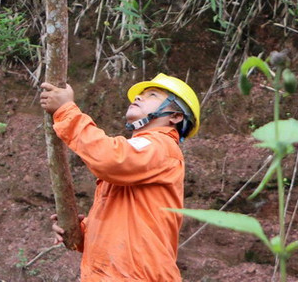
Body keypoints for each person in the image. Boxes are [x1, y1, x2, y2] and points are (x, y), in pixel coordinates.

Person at [39, 73, 201, 282]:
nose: (139, 97)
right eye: (141, 94)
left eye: (152, 95)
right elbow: (124, 230)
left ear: (176, 116)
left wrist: (66, 110)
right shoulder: (139, 154)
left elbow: (109, 158)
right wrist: (79, 232)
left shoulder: (161, 147)